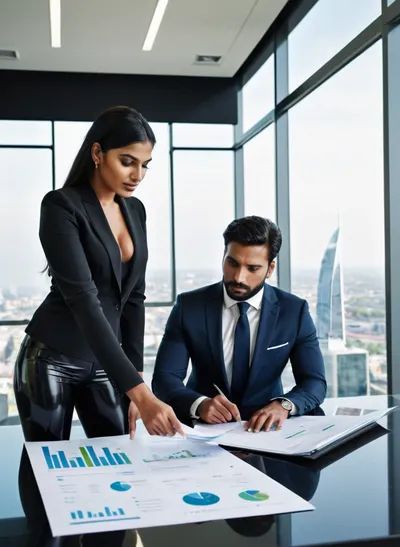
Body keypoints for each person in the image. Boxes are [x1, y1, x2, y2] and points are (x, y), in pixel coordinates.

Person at [13, 106, 183, 446]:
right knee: (48, 467)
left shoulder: (135, 210)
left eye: (145, 165)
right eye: (127, 161)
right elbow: (84, 301)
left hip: (106, 362)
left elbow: (134, 296)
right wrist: (142, 396)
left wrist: (135, 375)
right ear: (97, 153)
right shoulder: (61, 206)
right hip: (52, 359)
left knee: (120, 458)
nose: (138, 175)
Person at [152, 216, 326, 430]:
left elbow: (314, 382)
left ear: (270, 269)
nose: (239, 277)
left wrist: (284, 406)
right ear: (223, 257)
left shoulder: (294, 311)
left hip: (268, 432)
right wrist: (199, 404)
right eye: (232, 263)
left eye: (252, 268)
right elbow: (164, 379)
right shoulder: (189, 306)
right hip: (205, 430)